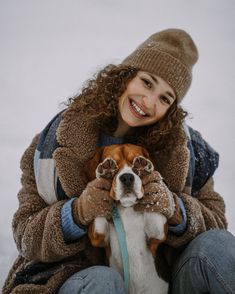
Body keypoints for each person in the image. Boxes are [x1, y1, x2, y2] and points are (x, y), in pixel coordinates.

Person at [3, 28, 235, 294]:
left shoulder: (187, 150)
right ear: (125, 76)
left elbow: (217, 223)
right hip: (77, 278)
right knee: (104, 282)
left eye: (165, 98)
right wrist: (76, 213)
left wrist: (176, 210)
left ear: (172, 111)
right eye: (147, 82)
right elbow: (24, 233)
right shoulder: (53, 142)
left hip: (163, 281)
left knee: (218, 245)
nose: (148, 102)